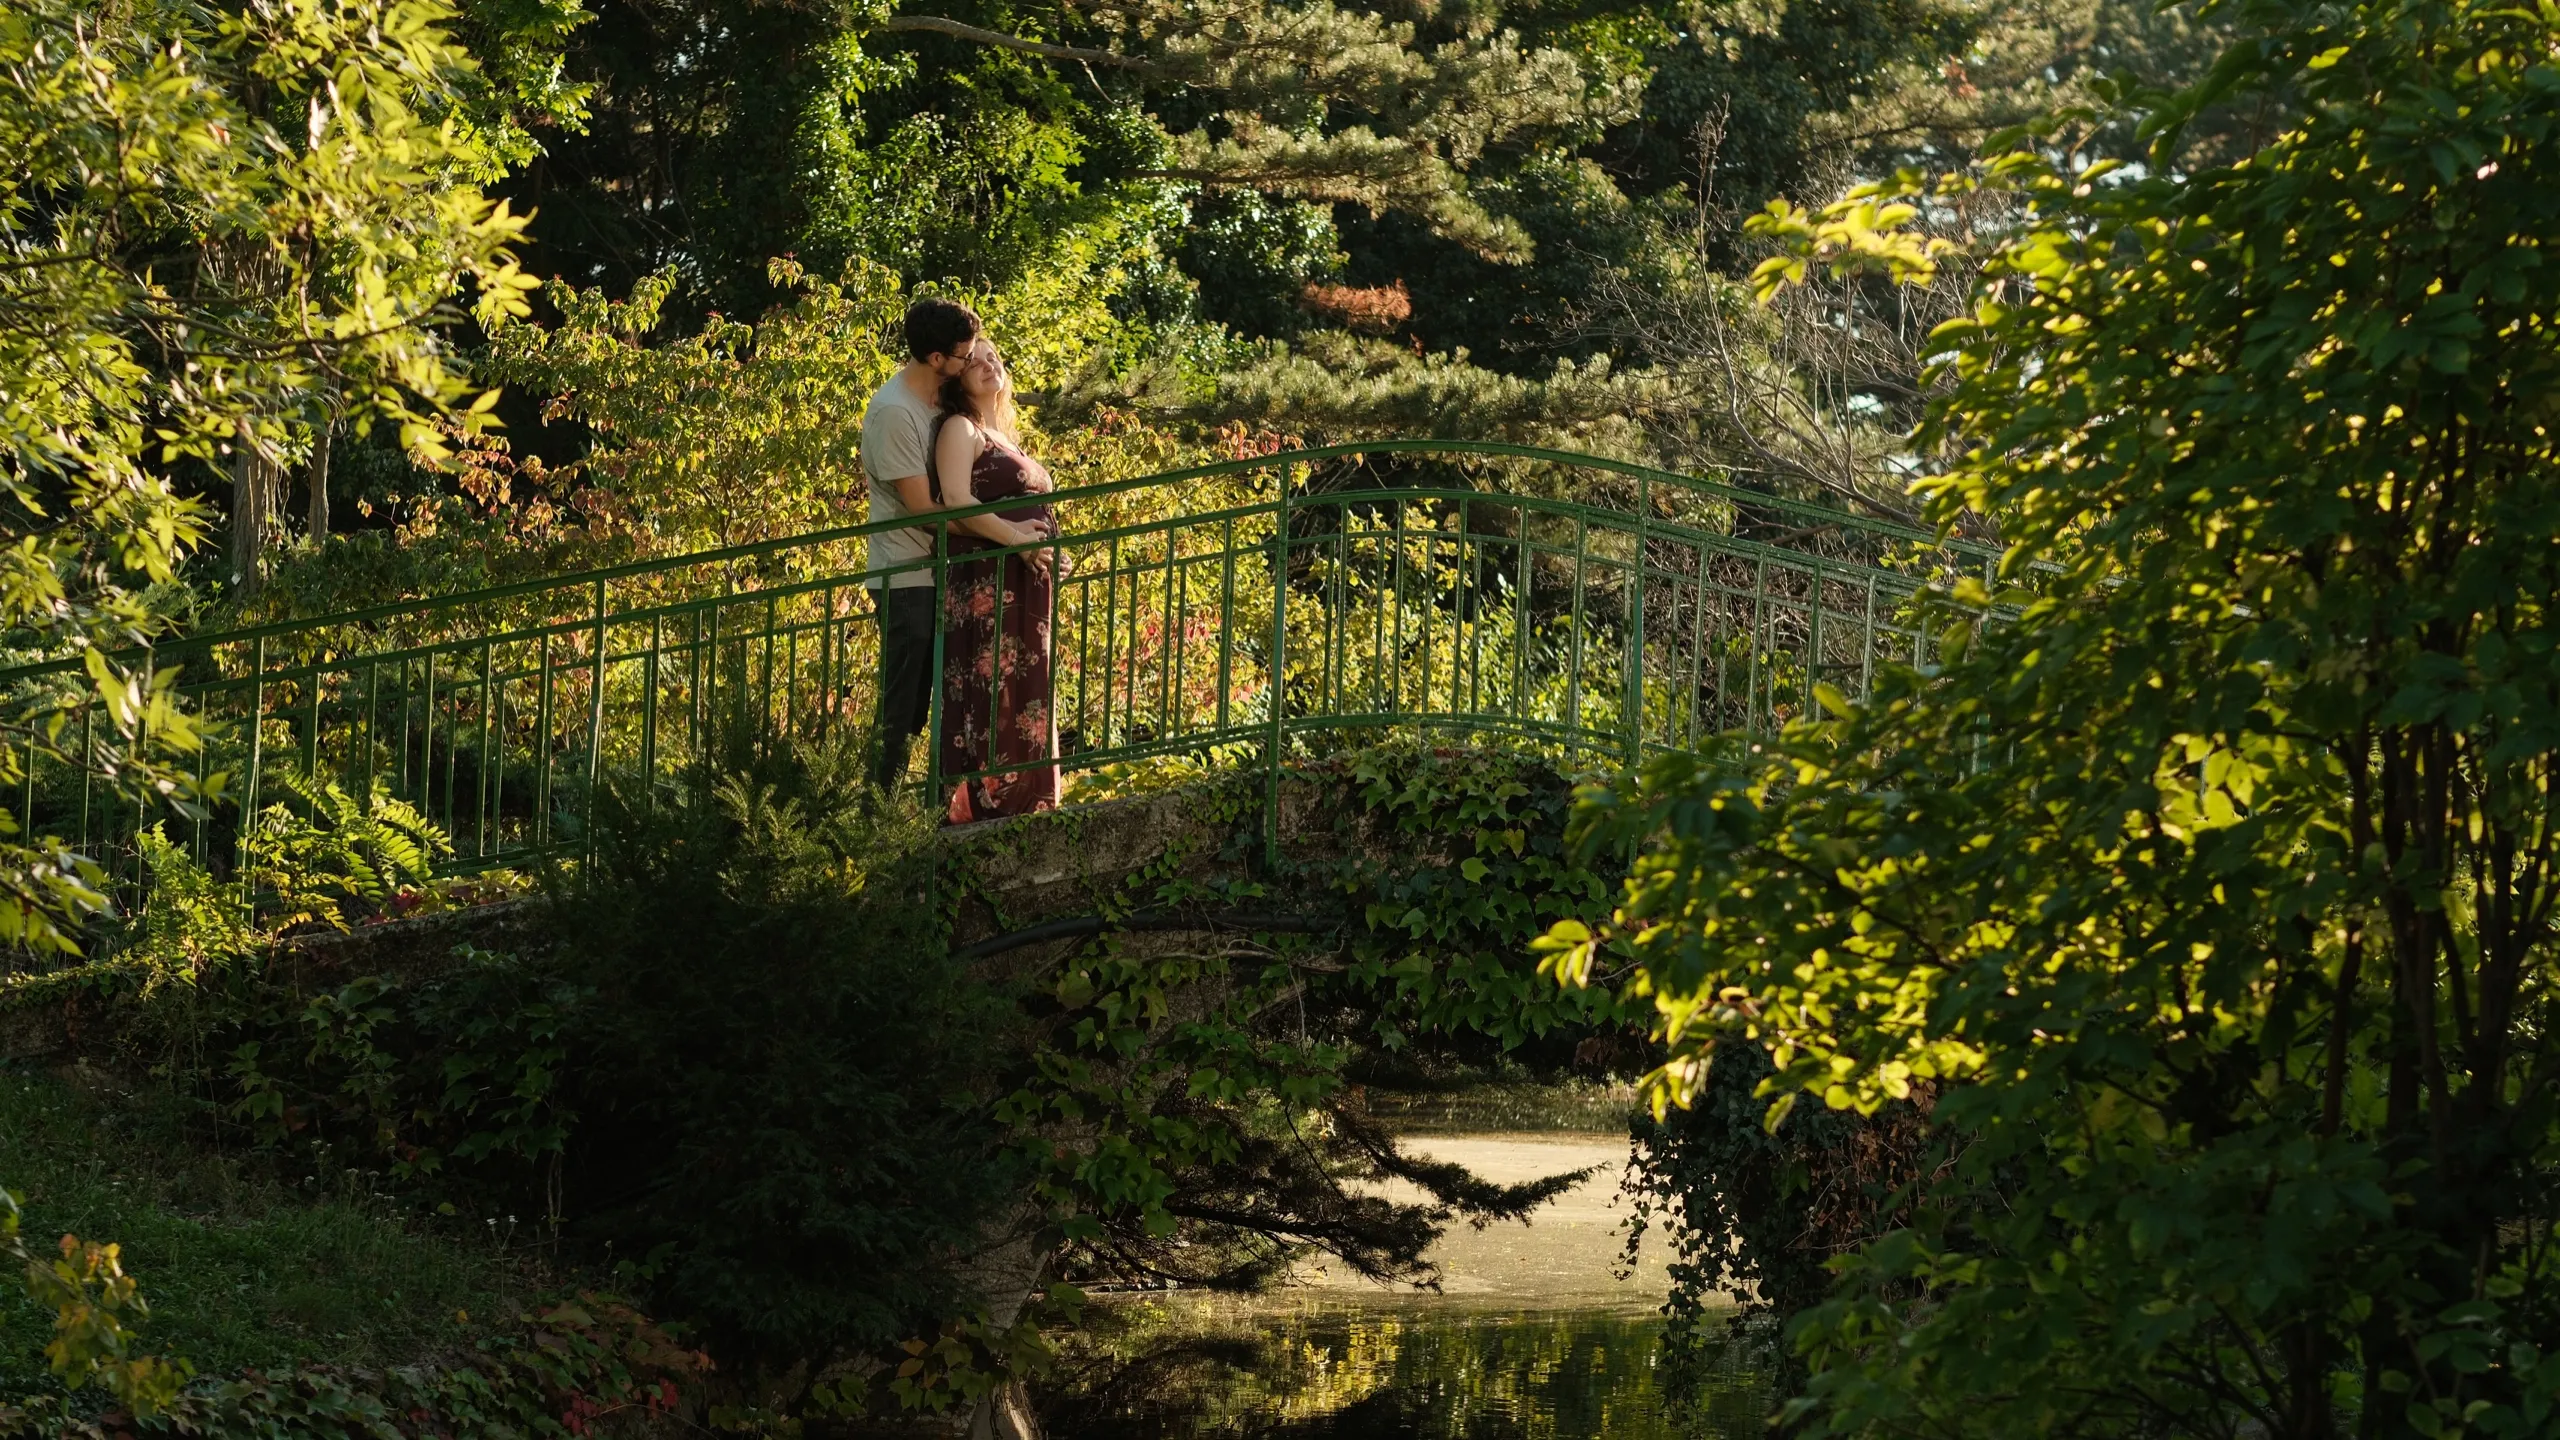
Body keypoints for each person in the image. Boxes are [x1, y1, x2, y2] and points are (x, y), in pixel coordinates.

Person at [859, 298, 1029, 793]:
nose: (971, 362)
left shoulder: (938, 401)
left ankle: (945, 808)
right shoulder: (894, 413)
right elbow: (928, 510)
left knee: (955, 703)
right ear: (937, 359)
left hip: (947, 576)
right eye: (963, 356)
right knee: (903, 709)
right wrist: (1006, 535)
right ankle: (877, 817)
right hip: (908, 576)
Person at [931, 342, 1064, 822]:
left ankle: (1032, 795)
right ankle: (986, 801)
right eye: (975, 361)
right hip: (988, 578)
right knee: (990, 684)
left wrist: (1052, 552)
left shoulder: (1007, 436)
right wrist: (1015, 538)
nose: (990, 365)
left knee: (1030, 685)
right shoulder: (959, 428)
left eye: (996, 359)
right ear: (957, 380)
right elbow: (955, 500)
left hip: (1029, 579)